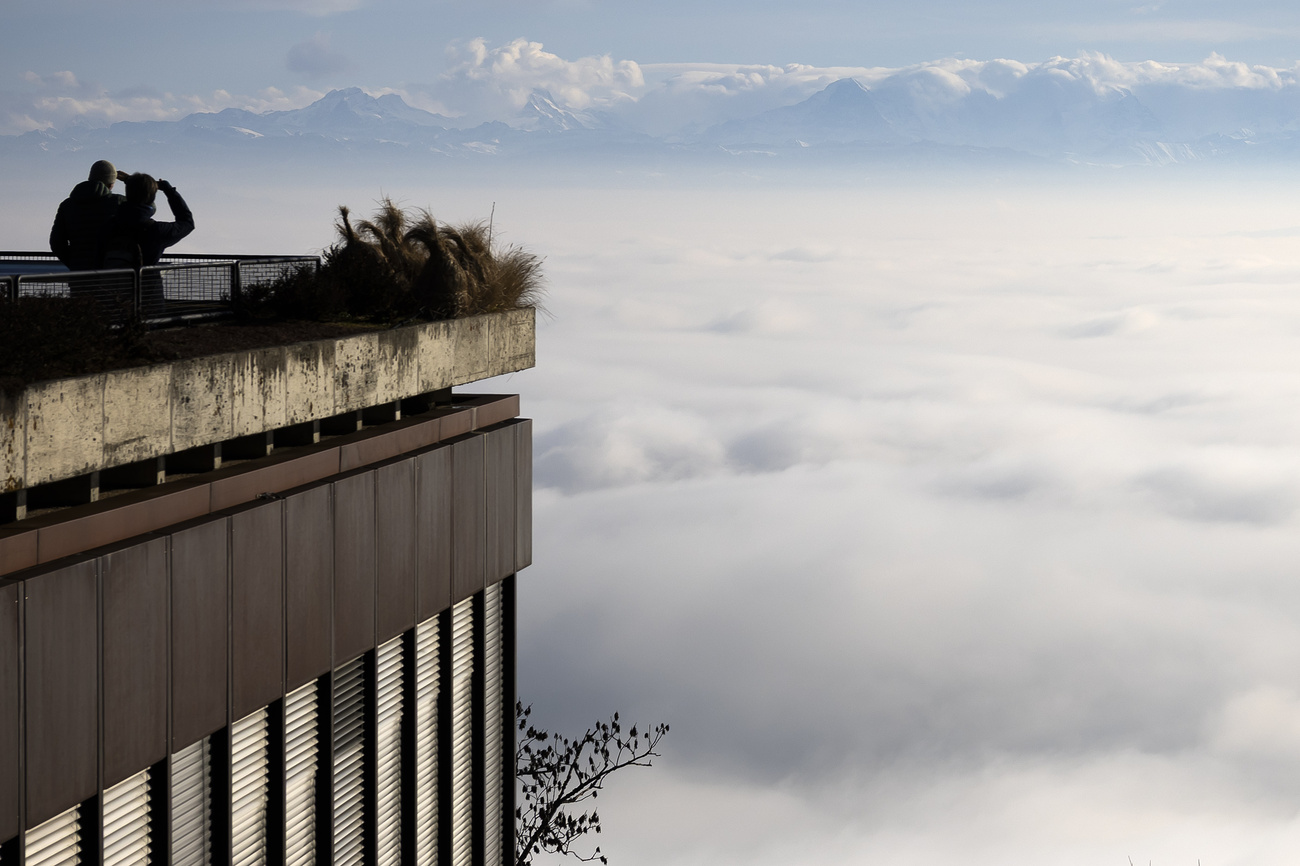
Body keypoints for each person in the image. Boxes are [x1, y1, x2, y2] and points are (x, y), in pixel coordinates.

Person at [105, 173, 195, 316]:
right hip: (149, 301)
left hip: (111, 298)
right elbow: (187, 222)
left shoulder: (110, 225)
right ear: (152, 198)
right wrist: (169, 191)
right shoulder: (156, 231)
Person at [48, 159, 128, 271]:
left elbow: (56, 242)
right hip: (111, 274)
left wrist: (75, 264)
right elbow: (146, 207)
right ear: (111, 184)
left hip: (80, 277)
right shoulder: (119, 202)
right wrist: (130, 181)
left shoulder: (67, 205)